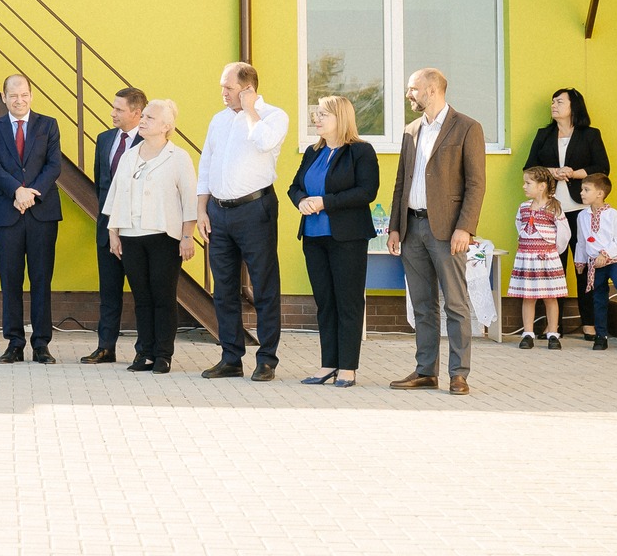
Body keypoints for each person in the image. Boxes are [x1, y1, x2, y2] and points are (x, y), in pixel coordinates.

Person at [387, 68, 486, 395]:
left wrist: (465, 228)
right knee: (422, 305)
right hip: (411, 228)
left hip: (447, 231)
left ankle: (459, 374)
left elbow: (476, 184)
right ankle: (425, 372)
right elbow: (401, 182)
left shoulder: (467, 127)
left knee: (456, 304)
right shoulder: (411, 130)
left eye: (413, 89)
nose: (409, 95)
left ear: (431, 90)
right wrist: (395, 227)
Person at [196, 62, 289, 382]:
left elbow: (264, 142)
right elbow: (206, 164)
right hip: (219, 213)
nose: (223, 93)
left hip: (255, 210)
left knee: (263, 286)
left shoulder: (274, 116)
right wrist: (202, 209)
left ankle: (267, 359)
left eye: (229, 88)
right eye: (222, 87)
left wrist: (250, 109)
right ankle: (231, 357)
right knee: (223, 289)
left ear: (248, 89)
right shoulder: (218, 120)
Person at [286, 95, 379, 387]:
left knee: (348, 302)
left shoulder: (360, 151)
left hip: (347, 238)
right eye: (316, 114)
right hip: (313, 237)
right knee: (325, 302)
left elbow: (367, 191)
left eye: (323, 114)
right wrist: (301, 201)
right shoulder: (313, 152)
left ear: (341, 117)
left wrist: (325, 202)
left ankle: (348, 367)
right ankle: (328, 364)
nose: (317, 118)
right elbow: (294, 186)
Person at [101, 98, 196, 373]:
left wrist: (187, 236)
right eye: (143, 116)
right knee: (141, 298)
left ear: (166, 126)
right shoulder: (129, 156)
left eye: (150, 118)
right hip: (131, 235)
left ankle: (163, 354)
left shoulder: (178, 157)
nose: (142, 121)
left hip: (164, 236)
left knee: (163, 296)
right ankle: (144, 353)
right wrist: (113, 232)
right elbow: (115, 195)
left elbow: (189, 199)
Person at [0, 74, 63, 364]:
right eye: (13, 95)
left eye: (24, 94)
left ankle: (41, 344)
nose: (20, 100)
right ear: (3, 97)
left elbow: (54, 165)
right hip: (8, 213)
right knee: (10, 280)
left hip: (42, 213)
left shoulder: (48, 125)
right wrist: (17, 190)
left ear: (31, 95)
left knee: (41, 280)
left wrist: (31, 194)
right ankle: (14, 343)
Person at [523, 88, 609, 338]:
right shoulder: (544, 134)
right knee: (553, 268)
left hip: (580, 211)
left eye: (560, 102)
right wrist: (553, 171)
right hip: (550, 211)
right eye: (553, 102)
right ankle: (553, 326)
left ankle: (588, 322)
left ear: (574, 106)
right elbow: (529, 167)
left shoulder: (590, 134)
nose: (554, 105)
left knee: (584, 266)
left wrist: (573, 173)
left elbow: (602, 167)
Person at [84, 87, 145, 364]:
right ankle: (105, 347)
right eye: (113, 107)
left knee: (142, 293)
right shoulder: (104, 139)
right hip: (107, 230)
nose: (112, 113)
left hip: (137, 230)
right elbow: (101, 184)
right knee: (109, 292)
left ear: (137, 113)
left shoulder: (149, 141)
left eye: (119, 109)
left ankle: (144, 349)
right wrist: (109, 224)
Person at [508, 166, 569, 349]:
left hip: (547, 258)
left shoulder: (554, 207)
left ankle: (552, 334)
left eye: (528, 183)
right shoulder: (523, 207)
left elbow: (564, 233)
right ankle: (528, 333)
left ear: (542, 186)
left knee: (551, 297)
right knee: (528, 296)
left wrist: (552, 251)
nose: (524, 186)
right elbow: (519, 226)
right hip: (527, 257)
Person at [575, 175, 617, 350]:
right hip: (595, 264)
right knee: (599, 299)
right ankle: (601, 336)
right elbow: (581, 241)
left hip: (613, 260)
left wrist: (605, 254)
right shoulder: (582, 216)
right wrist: (580, 261)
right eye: (582, 189)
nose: (581, 193)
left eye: (586, 190)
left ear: (600, 193)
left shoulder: (615, 216)